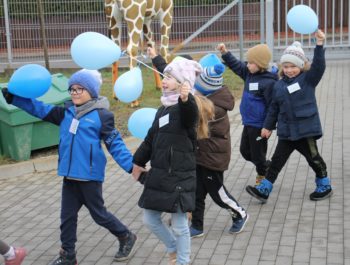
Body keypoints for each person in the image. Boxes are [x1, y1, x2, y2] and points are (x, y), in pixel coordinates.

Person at [2, 69, 138, 265]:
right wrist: (14, 99)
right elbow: (38, 108)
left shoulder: (102, 116)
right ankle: (68, 255)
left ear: (91, 91)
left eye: (79, 89)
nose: (74, 93)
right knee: (67, 218)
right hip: (69, 177)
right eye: (72, 89)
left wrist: (131, 167)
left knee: (99, 215)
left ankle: (126, 236)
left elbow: (115, 144)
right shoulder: (65, 113)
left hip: (89, 177)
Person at [245, 29, 333, 203]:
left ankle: (324, 184)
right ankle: (264, 189)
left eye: (293, 66)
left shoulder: (308, 79)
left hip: (305, 130)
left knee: (313, 158)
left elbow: (319, 66)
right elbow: (273, 109)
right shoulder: (278, 85)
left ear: (301, 66)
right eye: (286, 66)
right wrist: (267, 126)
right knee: (277, 161)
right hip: (286, 131)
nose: (289, 70)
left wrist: (319, 44)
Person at [132, 58, 202, 265]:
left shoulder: (185, 107)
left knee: (180, 226)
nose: (164, 80)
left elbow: (190, 116)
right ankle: (172, 247)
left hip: (180, 174)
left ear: (182, 83)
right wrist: (137, 162)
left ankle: (183, 261)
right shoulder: (163, 108)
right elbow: (151, 138)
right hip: (161, 174)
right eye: (164, 76)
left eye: (170, 77)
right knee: (150, 219)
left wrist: (186, 98)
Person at [189, 61, 249, 238]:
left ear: (206, 90)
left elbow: (194, 122)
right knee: (197, 193)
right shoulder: (208, 100)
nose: (195, 89)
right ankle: (197, 226)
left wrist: (184, 98)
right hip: (202, 155)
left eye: (197, 87)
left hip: (212, 158)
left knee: (218, 193)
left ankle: (240, 214)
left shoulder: (213, 108)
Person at [218, 43, 278, 186]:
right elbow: (236, 66)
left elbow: (273, 107)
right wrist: (225, 52)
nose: (247, 64)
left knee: (258, 154)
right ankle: (265, 165)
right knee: (245, 151)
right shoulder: (249, 73)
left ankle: (263, 175)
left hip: (260, 126)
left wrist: (268, 127)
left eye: (251, 62)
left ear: (260, 64)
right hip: (248, 122)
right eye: (248, 61)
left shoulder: (269, 82)